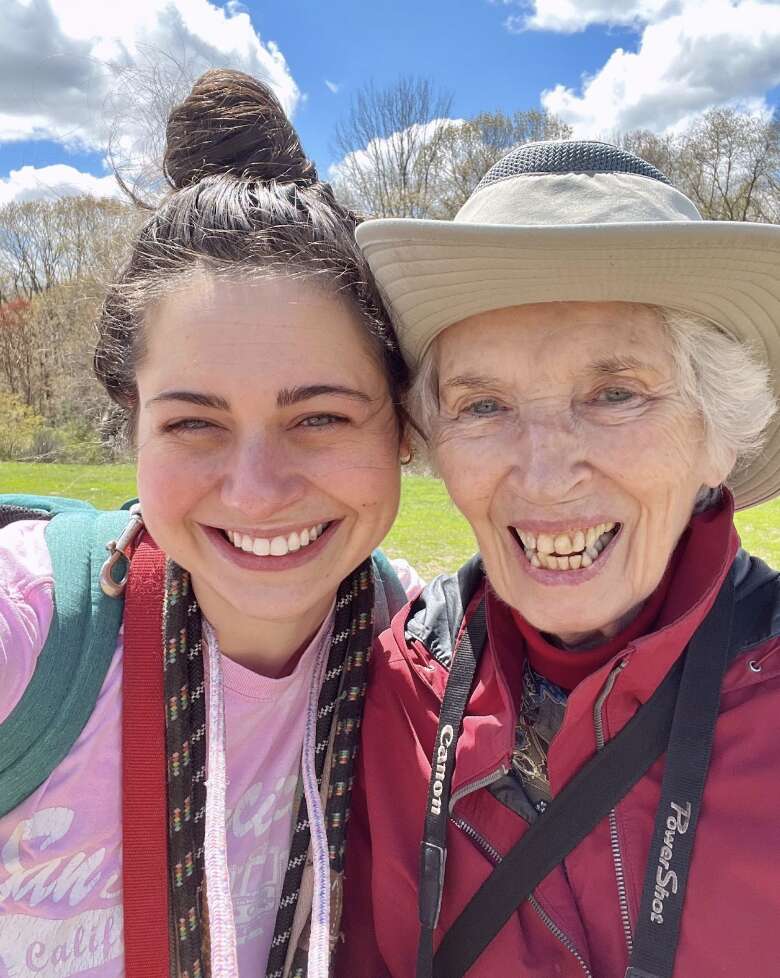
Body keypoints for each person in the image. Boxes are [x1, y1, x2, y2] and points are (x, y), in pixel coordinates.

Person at [0, 69, 416, 978]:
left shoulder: (418, 645)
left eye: (321, 417)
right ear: (133, 422)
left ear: (405, 426)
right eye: (194, 423)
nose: (258, 492)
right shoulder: (28, 630)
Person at [338, 141, 780, 977]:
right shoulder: (399, 689)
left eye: (615, 393)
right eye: (484, 405)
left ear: (716, 437)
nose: (544, 474)